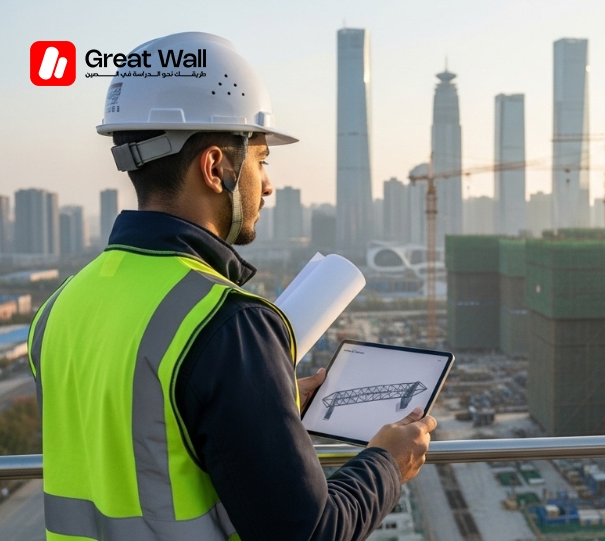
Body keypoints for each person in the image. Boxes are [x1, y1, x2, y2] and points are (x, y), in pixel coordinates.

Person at [27, 32, 437, 540]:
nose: (268, 184)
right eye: (262, 159)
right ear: (216, 166)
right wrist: (388, 463)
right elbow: (310, 533)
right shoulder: (227, 321)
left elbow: (147, 436)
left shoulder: (61, 305)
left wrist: (269, 397)